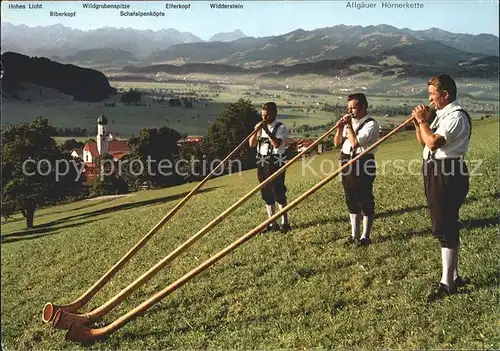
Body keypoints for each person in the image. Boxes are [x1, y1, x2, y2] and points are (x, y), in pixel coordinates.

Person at [412, 73, 471, 301]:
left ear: (445, 94)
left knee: (444, 225)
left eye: (432, 95)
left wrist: (423, 121)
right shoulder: (442, 115)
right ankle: (454, 276)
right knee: (445, 222)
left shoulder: (456, 117)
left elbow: (434, 142)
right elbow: (423, 141)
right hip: (436, 170)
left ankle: (447, 283)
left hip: (447, 173)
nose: (430, 100)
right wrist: (420, 122)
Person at [333, 93, 380, 246]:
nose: (350, 111)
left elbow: (355, 144)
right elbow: (337, 142)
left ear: (363, 107)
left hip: (363, 162)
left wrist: (347, 126)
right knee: (350, 198)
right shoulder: (350, 123)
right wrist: (340, 129)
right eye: (349, 108)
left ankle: (365, 237)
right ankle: (354, 234)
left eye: (353, 108)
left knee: (364, 199)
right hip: (347, 160)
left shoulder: (371, 124)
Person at [249, 102, 292, 233]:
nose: (264, 118)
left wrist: (266, 131)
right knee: (266, 192)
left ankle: (285, 222)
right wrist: (256, 131)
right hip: (262, 160)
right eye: (262, 115)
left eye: (266, 116)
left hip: (276, 161)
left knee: (278, 191)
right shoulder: (260, 127)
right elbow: (251, 144)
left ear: (273, 115)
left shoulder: (281, 128)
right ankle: (272, 223)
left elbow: (276, 145)